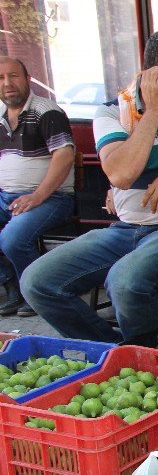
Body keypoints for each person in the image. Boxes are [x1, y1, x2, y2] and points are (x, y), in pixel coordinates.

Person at [22, 30, 158, 346]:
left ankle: (142, 353)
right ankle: (120, 350)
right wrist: (153, 111)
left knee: (124, 282)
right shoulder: (112, 112)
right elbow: (122, 175)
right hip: (124, 230)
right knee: (37, 282)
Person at [0, 57, 75, 317]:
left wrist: (37, 196)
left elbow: (64, 155)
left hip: (52, 198)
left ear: (28, 79)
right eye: (1, 78)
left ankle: (38, 293)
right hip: (6, 196)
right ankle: (12, 286)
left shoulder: (46, 111)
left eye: (13, 76)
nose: (7, 83)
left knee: (12, 239)